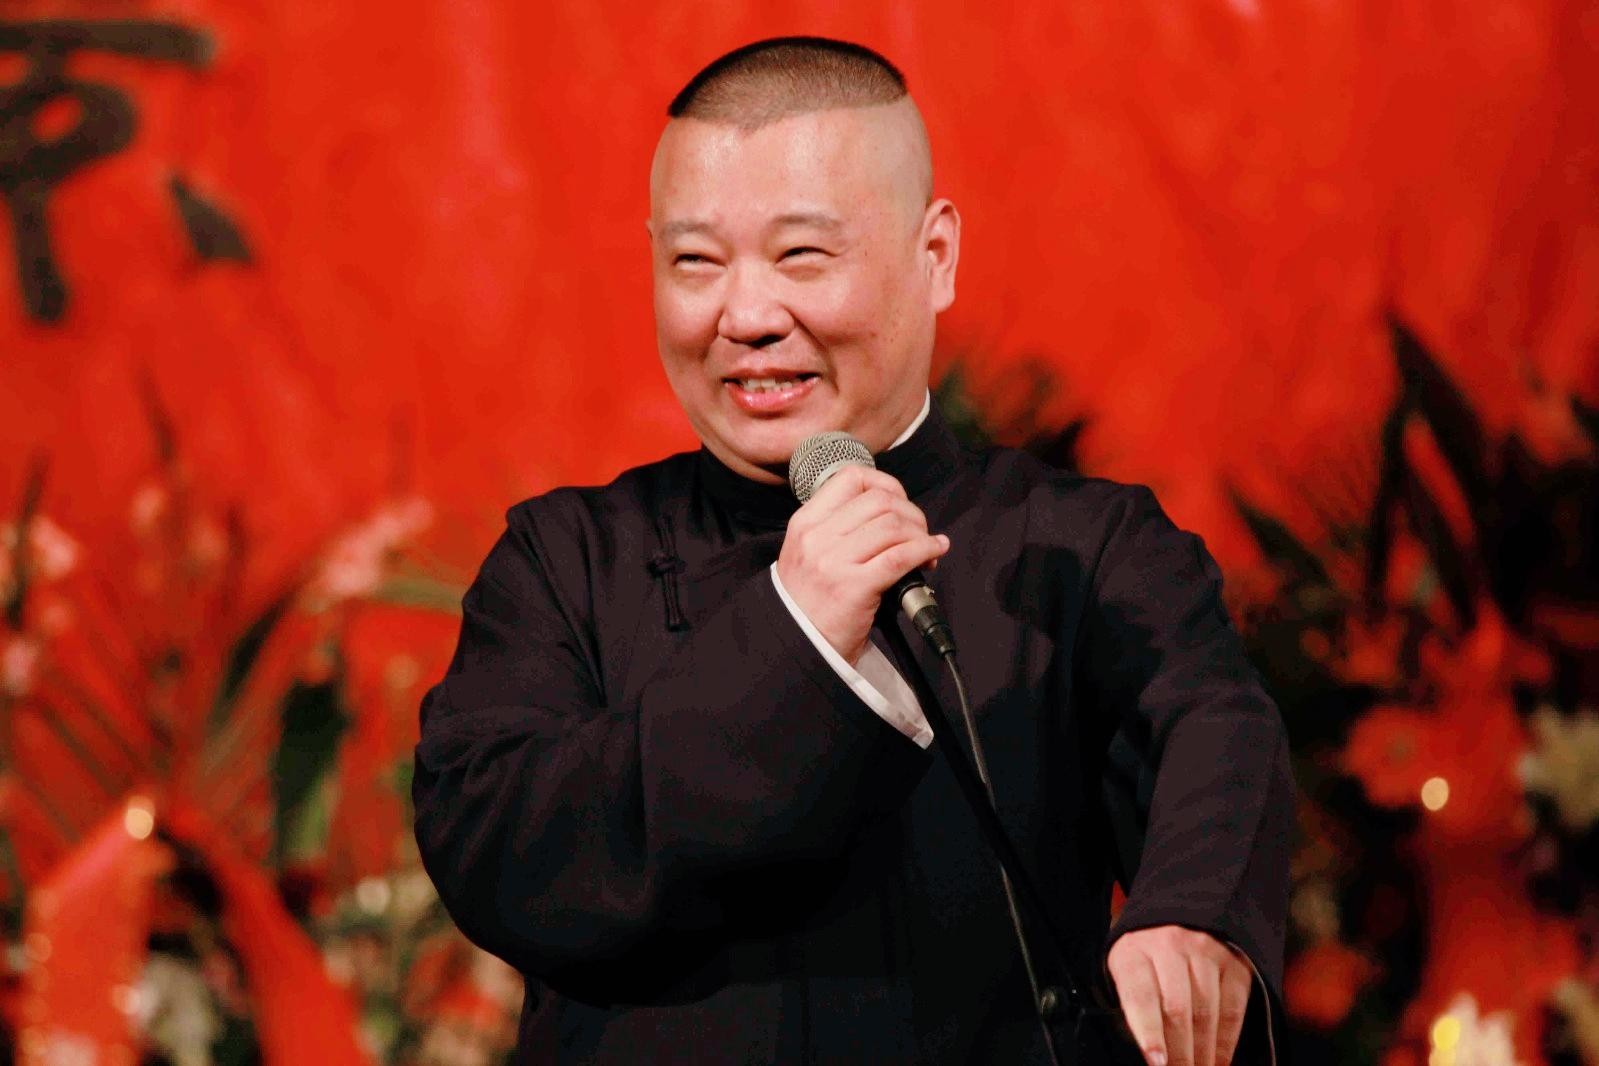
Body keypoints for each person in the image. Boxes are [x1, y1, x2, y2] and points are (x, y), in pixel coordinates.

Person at [413, 36, 1292, 1066]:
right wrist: (790, 635)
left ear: (936, 256)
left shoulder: (1078, 547)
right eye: (695, 262)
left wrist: (1191, 912)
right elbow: (499, 845)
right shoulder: (564, 560)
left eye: (802, 256)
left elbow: (1211, 725)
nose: (746, 316)